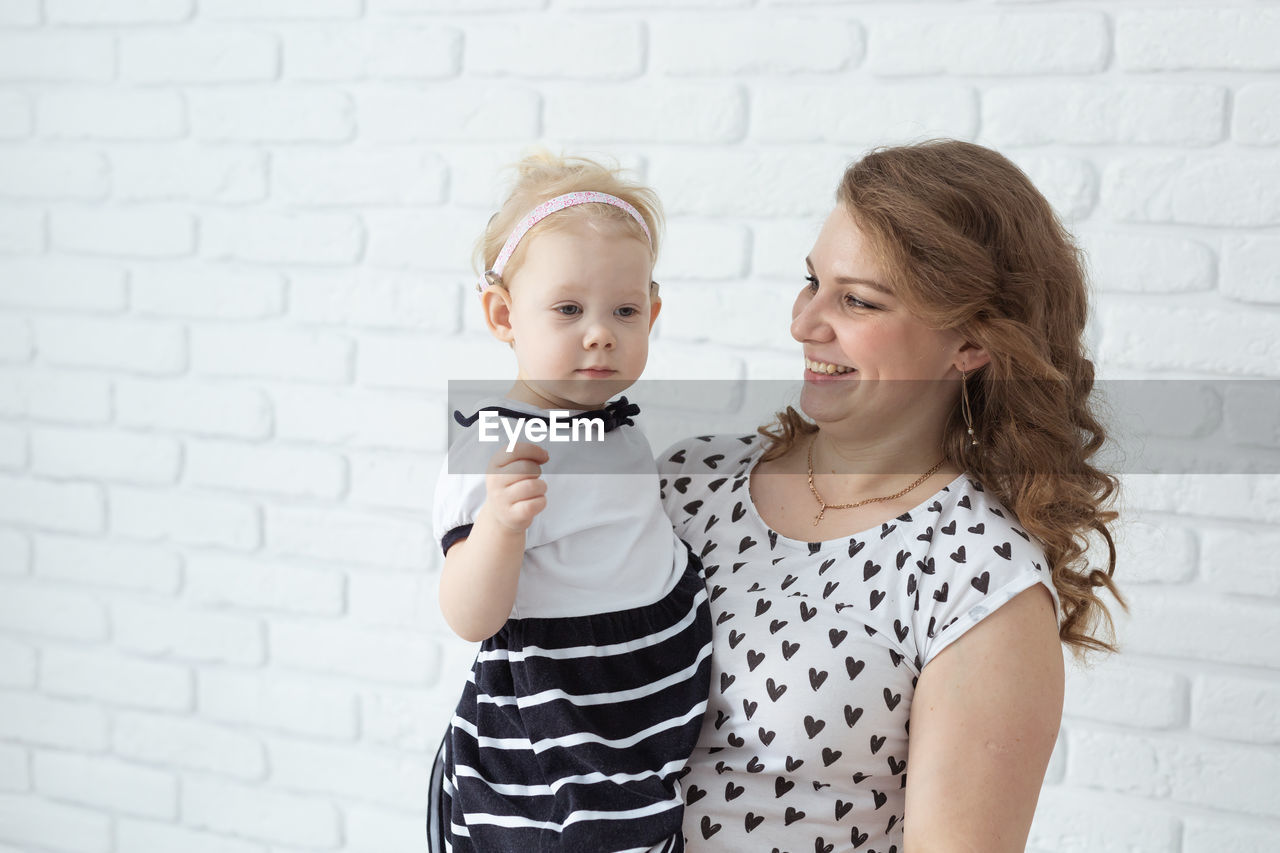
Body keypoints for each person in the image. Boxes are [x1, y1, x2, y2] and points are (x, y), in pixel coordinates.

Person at [657, 139, 1127, 852]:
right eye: (811, 282)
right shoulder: (689, 485)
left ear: (969, 343)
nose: (804, 323)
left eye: (857, 300)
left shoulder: (978, 579)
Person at [432, 151, 712, 853]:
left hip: (638, 711)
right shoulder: (494, 449)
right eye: (568, 309)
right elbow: (469, 613)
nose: (601, 331)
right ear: (503, 314)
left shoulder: (611, 421)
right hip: (561, 717)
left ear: (653, 311)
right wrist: (499, 524)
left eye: (624, 310)